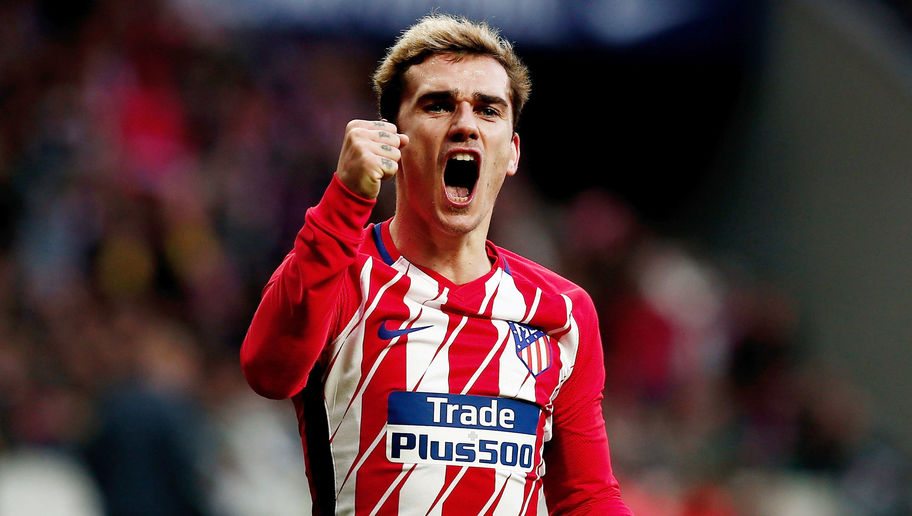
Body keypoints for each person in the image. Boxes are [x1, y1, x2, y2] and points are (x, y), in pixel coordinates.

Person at [240, 14, 633, 516]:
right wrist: (346, 199)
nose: (465, 124)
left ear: (512, 152)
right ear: (393, 139)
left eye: (488, 109)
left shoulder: (563, 311)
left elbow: (587, 497)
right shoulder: (340, 272)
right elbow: (269, 372)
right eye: (439, 104)